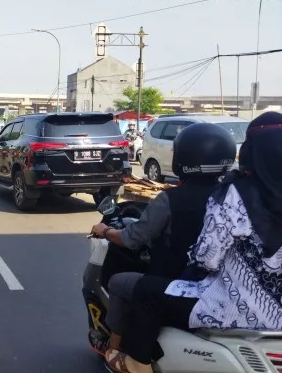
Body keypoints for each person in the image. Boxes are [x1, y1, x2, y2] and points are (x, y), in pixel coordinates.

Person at [107, 112, 282, 373]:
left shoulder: (234, 194)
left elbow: (207, 259)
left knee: (146, 291)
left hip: (234, 309)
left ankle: (136, 362)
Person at [89, 123, 236, 356]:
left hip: (179, 283)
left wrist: (105, 231)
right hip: (222, 286)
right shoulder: (235, 196)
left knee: (118, 282)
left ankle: (114, 350)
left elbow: (132, 238)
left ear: (183, 160)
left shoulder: (171, 199)